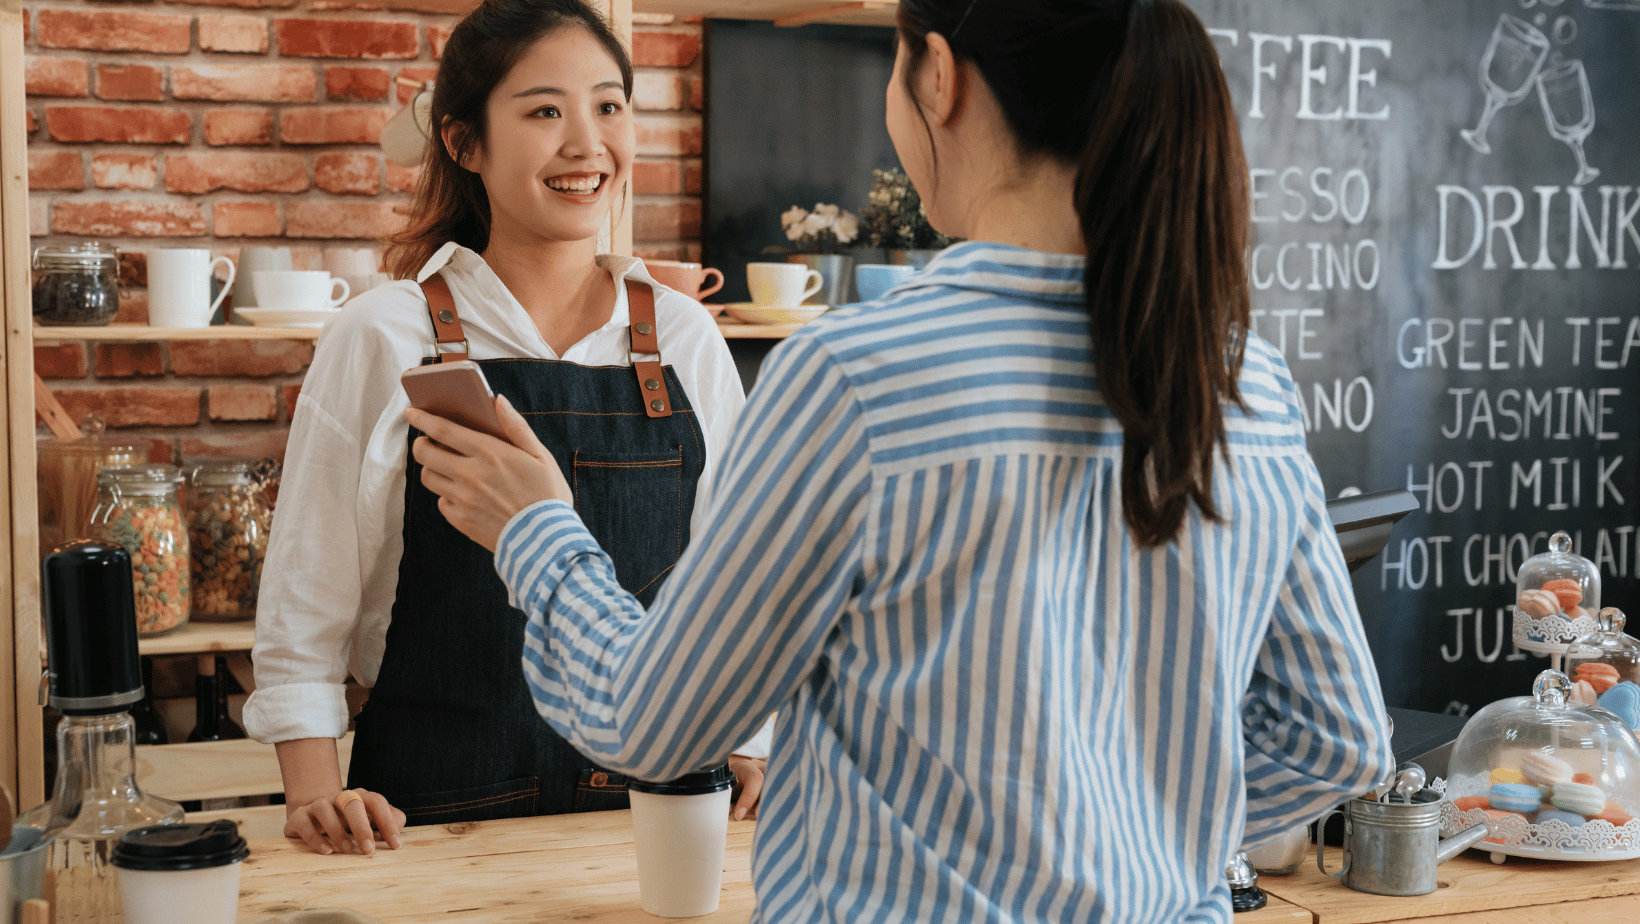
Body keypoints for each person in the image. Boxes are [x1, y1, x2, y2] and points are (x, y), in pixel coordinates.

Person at [408, 0, 1395, 920]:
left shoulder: (857, 377)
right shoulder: (1244, 384)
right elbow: (1333, 740)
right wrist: (1126, 831)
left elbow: (655, 728)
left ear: (936, 76)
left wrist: (536, 531)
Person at [242, 0, 769, 857]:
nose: (587, 143)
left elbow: (740, 580)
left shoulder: (682, 337)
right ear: (463, 142)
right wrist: (314, 795)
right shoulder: (385, 335)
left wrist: (746, 743)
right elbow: (307, 606)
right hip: (421, 819)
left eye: (608, 106)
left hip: (652, 821)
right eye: (544, 111)